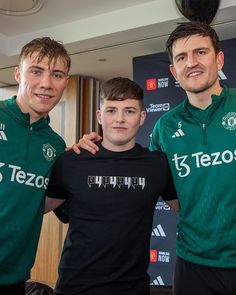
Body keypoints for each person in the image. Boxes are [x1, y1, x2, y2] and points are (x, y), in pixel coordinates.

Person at [76, 22, 236, 295]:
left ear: (219, 58)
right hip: (193, 264)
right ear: (174, 71)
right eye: (182, 57)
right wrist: (91, 153)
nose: (192, 63)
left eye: (201, 52)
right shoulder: (165, 127)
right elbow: (167, 192)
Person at [45, 77, 178, 295]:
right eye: (111, 110)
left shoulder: (158, 164)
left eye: (129, 111)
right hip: (75, 286)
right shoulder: (71, 161)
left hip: (133, 287)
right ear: (99, 116)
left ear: (142, 117)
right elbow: (35, 206)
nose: (120, 119)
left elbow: (188, 208)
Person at [0, 37, 71, 295]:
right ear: (18, 74)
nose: (46, 84)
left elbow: (41, 202)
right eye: (36, 71)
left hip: (13, 280)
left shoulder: (56, 145)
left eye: (57, 75)